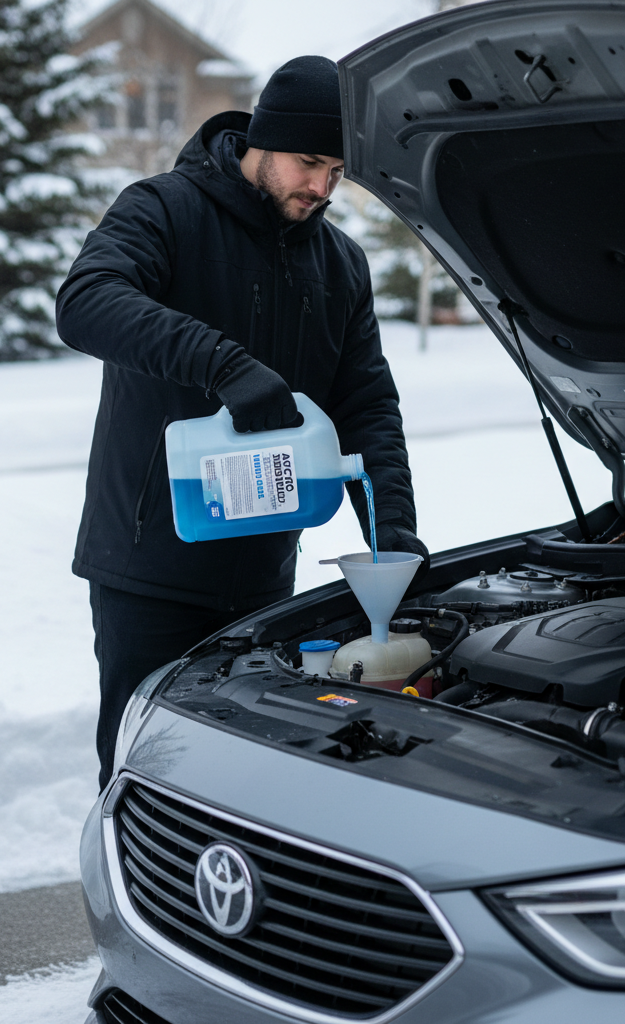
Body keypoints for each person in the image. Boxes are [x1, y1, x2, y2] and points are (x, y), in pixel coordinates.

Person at [56, 55, 428, 791]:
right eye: (309, 162)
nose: (322, 188)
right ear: (262, 140)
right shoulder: (163, 210)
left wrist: (394, 533)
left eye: (337, 171)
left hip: (264, 580)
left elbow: (367, 407)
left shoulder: (341, 264)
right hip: (149, 572)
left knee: (251, 788)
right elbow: (86, 300)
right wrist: (224, 366)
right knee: (145, 774)